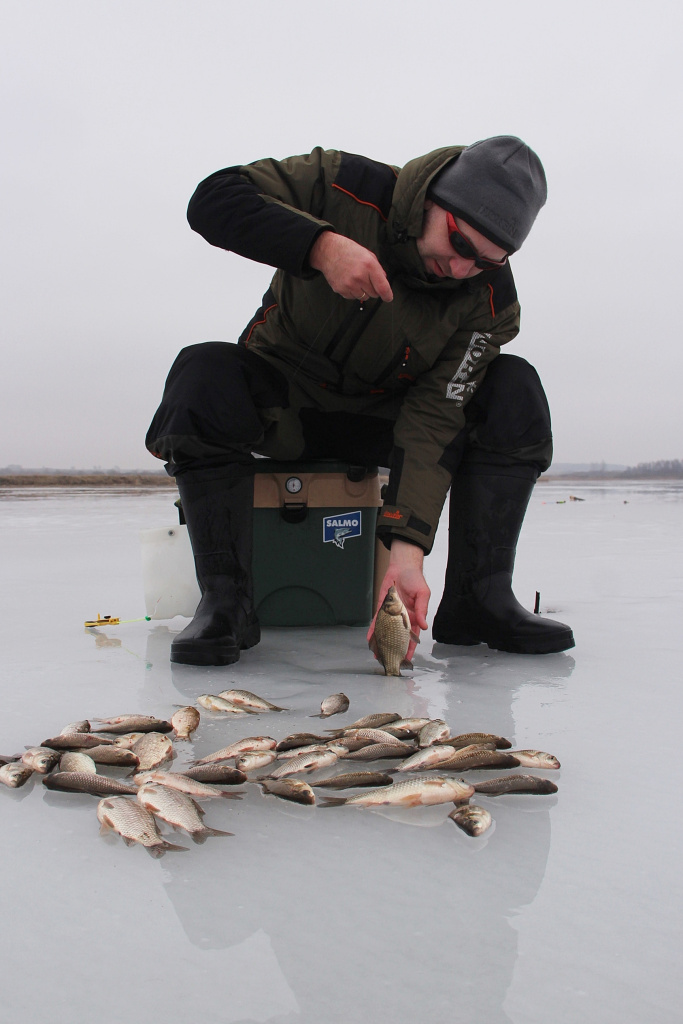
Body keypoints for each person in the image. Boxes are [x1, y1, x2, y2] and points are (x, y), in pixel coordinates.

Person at [146, 137, 575, 666]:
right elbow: (213, 199)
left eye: (487, 261)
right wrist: (321, 246)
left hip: (385, 423)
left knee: (513, 390)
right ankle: (226, 603)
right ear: (435, 200)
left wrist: (407, 553)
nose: (463, 269)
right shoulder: (346, 185)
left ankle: (477, 599)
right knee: (202, 371)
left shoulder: (488, 301)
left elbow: (436, 414)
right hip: (285, 408)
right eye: (460, 244)